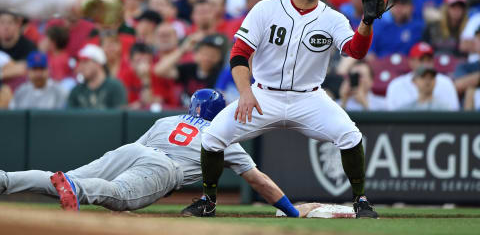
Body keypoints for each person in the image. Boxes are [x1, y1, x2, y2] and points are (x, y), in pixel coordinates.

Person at [182, 0, 382, 219]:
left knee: (350, 136)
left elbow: (355, 51)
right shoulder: (266, 9)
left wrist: (366, 22)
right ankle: (208, 201)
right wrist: (245, 92)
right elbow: (239, 53)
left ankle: (361, 201)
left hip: (309, 99)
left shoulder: (333, 18)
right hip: (263, 95)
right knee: (213, 137)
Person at [0, 89, 319, 217]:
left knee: (65, 177)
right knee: (115, 195)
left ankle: (5, 180)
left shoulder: (168, 119)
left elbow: (138, 151)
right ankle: (76, 189)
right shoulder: (224, 137)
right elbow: (259, 181)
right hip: (163, 167)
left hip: (135, 150)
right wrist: (291, 211)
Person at [386, 42, 460, 111]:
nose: (425, 64)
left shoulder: (446, 83)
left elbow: (453, 115)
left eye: (429, 60)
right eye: (421, 60)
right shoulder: (396, 85)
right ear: (411, 61)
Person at [67, 44, 127, 109]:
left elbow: (119, 116)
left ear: (98, 63)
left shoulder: (115, 87)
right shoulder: (76, 91)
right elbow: (71, 117)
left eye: (85, 61)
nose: (81, 66)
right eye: (80, 62)